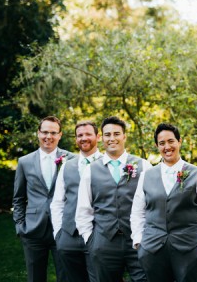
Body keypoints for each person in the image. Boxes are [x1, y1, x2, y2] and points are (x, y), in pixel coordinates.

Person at [130, 123, 197, 282]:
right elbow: (137, 212)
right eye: (162, 143)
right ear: (157, 146)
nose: (167, 147)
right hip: (152, 249)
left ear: (179, 141)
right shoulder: (146, 175)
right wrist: (139, 241)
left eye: (171, 141)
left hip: (189, 248)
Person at [75, 116, 152, 282]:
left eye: (116, 134)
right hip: (104, 243)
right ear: (101, 137)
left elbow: (152, 205)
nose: (112, 138)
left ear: (124, 136)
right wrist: (91, 240)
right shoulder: (90, 170)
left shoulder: (144, 166)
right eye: (107, 134)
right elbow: (83, 209)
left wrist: (147, 237)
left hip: (138, 241)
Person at [13, 115, 72, 282]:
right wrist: (20, 226)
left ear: (60, 135)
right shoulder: (24, 162)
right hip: (33, 230)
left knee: (66, 275)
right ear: (38, 133)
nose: (49, 136)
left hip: (62, 229)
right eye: (45, 132)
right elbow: (18, 198)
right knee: (35, 277)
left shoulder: (72, 159)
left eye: (53, 132)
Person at [50, 121, 103, 282]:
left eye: (88, 134)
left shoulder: (107, 164)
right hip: (69, 237)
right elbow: (58, 202)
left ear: (98, 137)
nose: (83, 138)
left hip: (98, 234)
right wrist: (59, 234)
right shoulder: (67, 166)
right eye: (80, 135)